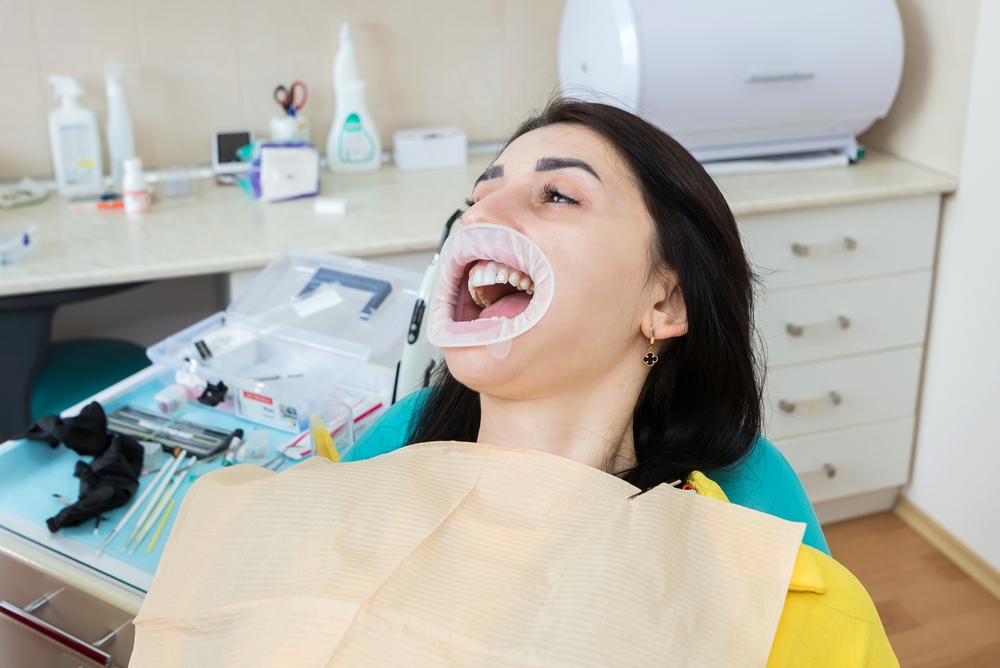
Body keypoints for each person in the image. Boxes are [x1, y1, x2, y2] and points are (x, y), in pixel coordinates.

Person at [132, 99, 897, 667]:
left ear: (664, 302)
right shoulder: (318, 501)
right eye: (477, 194)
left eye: (557, 195)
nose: (480, 213)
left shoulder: (777, 611)